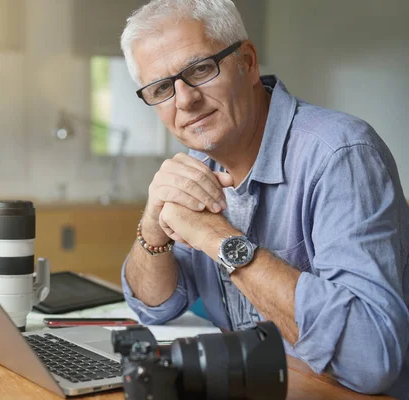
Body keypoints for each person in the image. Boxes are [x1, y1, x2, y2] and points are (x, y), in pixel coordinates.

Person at [119, 0, 409, 396]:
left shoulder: (340, 155)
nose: (184, 101)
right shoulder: (198, 162)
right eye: (161, 88)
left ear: (248, 63)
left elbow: (371, 360)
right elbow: (156, 306)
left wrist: (217, 238)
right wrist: (153, 225)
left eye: (200, 69)